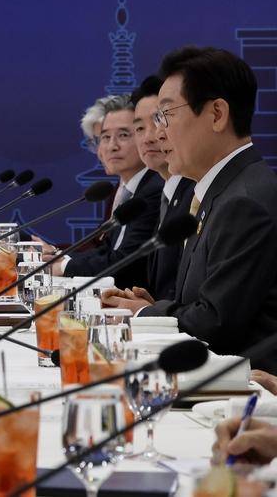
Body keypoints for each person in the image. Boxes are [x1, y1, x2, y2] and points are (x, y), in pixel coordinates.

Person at [103, 47, 277, 372]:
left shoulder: (244, 201)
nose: (158, 133)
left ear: (217, 115)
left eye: (166, 115)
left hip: (245, 391)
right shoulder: (217, 191)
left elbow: (215, 324)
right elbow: (205, 304)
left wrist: (144, 314)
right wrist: (156, 309)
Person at [46, 95, 163, 287]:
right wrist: (58, 257)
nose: (111, 147)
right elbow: (106, 249)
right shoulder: (124, 188)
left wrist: (62, 265)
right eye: (105, 137)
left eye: (123, 135)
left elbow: (127, 262)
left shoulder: (154, 189)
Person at [129, 75, 195, 300]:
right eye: (139, 128)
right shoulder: (167, 193)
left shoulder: (195, 195)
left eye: (159, 120)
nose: (150, 137)